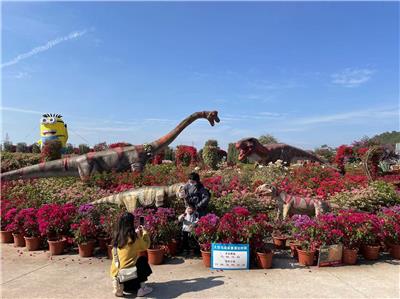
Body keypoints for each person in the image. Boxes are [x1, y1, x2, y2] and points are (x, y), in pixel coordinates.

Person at [110, 212, 153, 297]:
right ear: (131, 223)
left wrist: (136, 234)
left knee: (120, 262)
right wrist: (144, 232)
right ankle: (142, 288)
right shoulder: (134, 238)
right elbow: (145, 246)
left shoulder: (117, 237)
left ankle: (118, 286)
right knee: (142, 260)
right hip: (131, 277)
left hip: (120, 276)